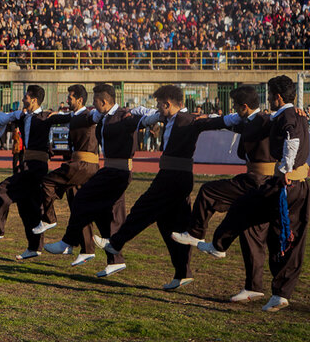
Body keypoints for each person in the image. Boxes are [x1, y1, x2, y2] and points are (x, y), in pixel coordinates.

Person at [198, 75, 310, 313]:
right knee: (286, 237)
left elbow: (292, 139)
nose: (268, 99)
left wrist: (286, 169)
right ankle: (279, 293)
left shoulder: (288, 117)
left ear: (277, 97)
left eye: (269, 95)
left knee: (242, 206)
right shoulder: (293, 115)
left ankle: (219, 245)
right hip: (300, 186)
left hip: (285, 185)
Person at [98, 85, 226, 290]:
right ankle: (183, 273)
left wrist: (244, 118)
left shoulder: (189, 120)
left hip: (174, 178)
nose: (157, 109)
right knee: (171, 227)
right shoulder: (171, 119)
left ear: (167, 104)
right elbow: (142, 112)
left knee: (143, 207)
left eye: (159, 105)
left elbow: (219, 121)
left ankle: (116, 243)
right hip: (173, 176)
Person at [170, 85, 272, 302]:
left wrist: (296, 113)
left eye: (236, 106)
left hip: (256, 181)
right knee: (251, 232)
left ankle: (197, 233)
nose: (234, 109)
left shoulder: (264, 121)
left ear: (245, 106)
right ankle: (254, 286)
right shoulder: (255, 120)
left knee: (209, 191)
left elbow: (242, 127)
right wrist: (207, 120)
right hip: (264, 182)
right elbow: (232, 124)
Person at [44, 84, 143, 277]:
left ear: (103, 101)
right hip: (110, 171)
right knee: (101, 213)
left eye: (95, 101)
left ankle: (69, 242)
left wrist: (152, 115)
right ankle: (113, 259)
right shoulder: (104, 116)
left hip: (118, 173)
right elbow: (90, 117)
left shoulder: (124, 116)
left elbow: (145, 119)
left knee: (88, 203)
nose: (93, 104)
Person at [32, 84, 98, 266]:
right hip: (80, 164)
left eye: (70, 97)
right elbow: (66, 117)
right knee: (78, 206)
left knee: (46, 181)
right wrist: (52, 115)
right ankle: (80, 247)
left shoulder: (88, 115)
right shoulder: (74, 116)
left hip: (83, 165)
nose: (67, 100)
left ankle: (49, 219)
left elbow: (98, 116)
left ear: (79, 99)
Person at [0, 85, 54, 260]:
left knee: (3, 189)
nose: (23, 99)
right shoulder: (23, 115)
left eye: (25, 97)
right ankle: (34, 247)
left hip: (36, 166)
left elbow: (70, 118)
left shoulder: (46, 116)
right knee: (28, 206)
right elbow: (6, 117)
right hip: (27, 163)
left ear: (33, 99)